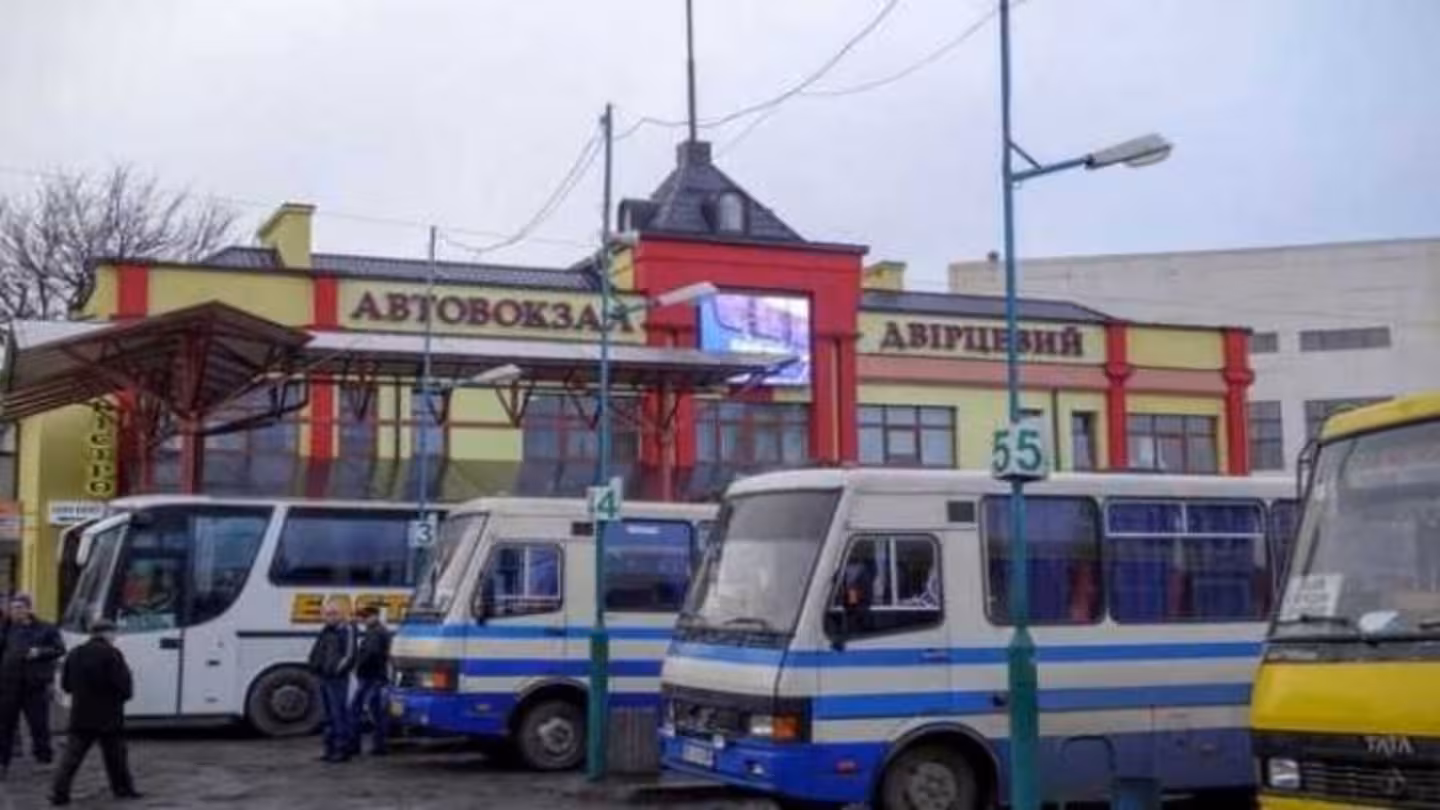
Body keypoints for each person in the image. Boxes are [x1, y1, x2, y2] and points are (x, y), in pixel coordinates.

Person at [49, 619, 139, 806]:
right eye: (113, 633)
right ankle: (122, 789)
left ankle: (59, 793)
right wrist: (122, 696)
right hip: (109, 715)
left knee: (71, 758)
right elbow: (123, 686)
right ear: (106, 633)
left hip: (81, 714)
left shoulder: (75, 653)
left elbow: (66, 685)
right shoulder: (112, 654)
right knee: (116, 757)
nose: (115, 637)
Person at [0, 592, 64, 779]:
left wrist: (39, 652)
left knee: (39, 724)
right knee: (5, 725)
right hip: (8, 684)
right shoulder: (7, 628)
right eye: (13, 608)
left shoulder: (46, 628)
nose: (15, 611)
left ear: (29, 609)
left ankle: (44, 759)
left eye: (19, 608)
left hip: (34, 685)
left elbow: (59, 649)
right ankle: (3, 762)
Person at [307, 598, 356, 763]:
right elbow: (317, 650)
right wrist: (314, 666)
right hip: (324, 677)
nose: (329, 617)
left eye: (333, 613)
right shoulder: (327, 630)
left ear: (341, 614)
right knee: (327, 716)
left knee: (338, 714)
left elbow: (349, 655)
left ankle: (341, 750)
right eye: (327, 614)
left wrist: (336, 671)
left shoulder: (347, 629)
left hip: (337, 679)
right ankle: (329, 749)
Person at [348, 605, 391, 757]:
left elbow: (371, 653)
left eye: (365, 617)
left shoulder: (375, 632)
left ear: (375, 616)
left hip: (371, 677)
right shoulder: (378, 630)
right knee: (377, 713)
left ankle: (355, 745)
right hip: (376, 676)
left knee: (356, 710)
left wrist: (358, 666)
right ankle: (379, 746)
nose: (363, 620)